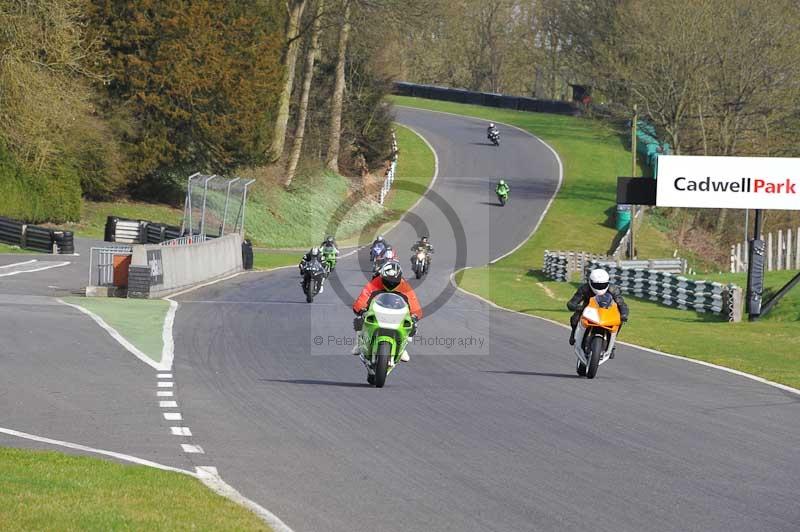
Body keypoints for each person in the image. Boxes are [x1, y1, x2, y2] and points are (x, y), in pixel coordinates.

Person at [352, 260, 423, 362]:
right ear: (382, 277)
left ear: (400, 278)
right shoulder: (375, 282)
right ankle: (359, 344)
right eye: (388, 280)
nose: (391, 284)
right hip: (376, 311)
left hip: (397, 313)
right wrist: (361, 310)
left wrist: (415, 316)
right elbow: (363, 298)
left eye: (394, 281)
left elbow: (414, 303)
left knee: (412, 325)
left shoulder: (404, 286)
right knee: (359, 319)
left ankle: (402, 348)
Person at [566, 268, 629, 358]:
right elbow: (572, 303)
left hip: (606, 311)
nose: (600, 287)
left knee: (619, 320)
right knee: (575, 318)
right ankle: (573, 334)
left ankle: (612, 343)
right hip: (588, 310)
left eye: (603, 285)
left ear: (607, 283)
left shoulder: (613, 289)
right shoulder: (584, 288)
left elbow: (621, 303)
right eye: (597, 285)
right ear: (590, 282)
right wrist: (578, 308)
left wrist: (624, 314)